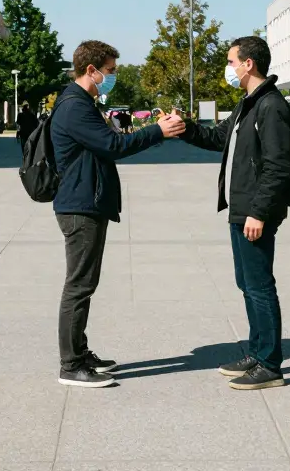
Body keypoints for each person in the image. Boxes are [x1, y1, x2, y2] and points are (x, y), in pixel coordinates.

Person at [51, 40, 185, 388]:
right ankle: (70, 365)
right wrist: (158, 131)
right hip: (80, 206)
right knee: (79, 285)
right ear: (91, 70)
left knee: (85, 283)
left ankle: (80, 353)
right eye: (109, 71)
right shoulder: (74, 106)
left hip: (86, 201)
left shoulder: (81, 102)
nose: (112, 76)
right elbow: (113, 146)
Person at [174, 35, 290, 391]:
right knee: (247, 284)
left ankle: (270, 364)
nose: (228, 68)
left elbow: (278, 166)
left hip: (255, 212)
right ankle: (257, 352)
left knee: (260, 286)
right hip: (240, 209)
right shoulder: (247, 104)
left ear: (248, 64)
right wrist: (184, 127)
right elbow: (217, 138)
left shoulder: (271, 106)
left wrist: (259, 212)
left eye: (230, 62)